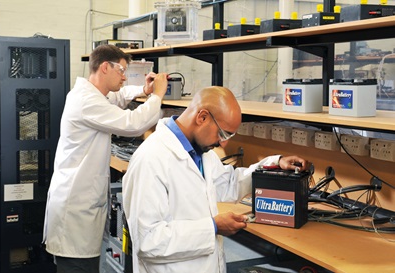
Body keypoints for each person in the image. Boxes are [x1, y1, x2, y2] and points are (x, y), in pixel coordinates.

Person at [122, 86, 310, 273]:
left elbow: (228, 183)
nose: (224, 143)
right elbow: (148, 241)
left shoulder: (200, 153)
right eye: (223, 133)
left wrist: (273, 165)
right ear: (202, 117)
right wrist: (212, 227)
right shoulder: (150, 159)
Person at [42, 44, 168, 273]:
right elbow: (132, 123)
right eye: (121, 71)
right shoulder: (86, 101)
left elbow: (117, 98)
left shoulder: (92, 95)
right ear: (104, 68)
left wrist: (144, 90)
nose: (124, 77)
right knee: (78, 267)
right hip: (75, 212)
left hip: (80, 207)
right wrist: (158, 95)